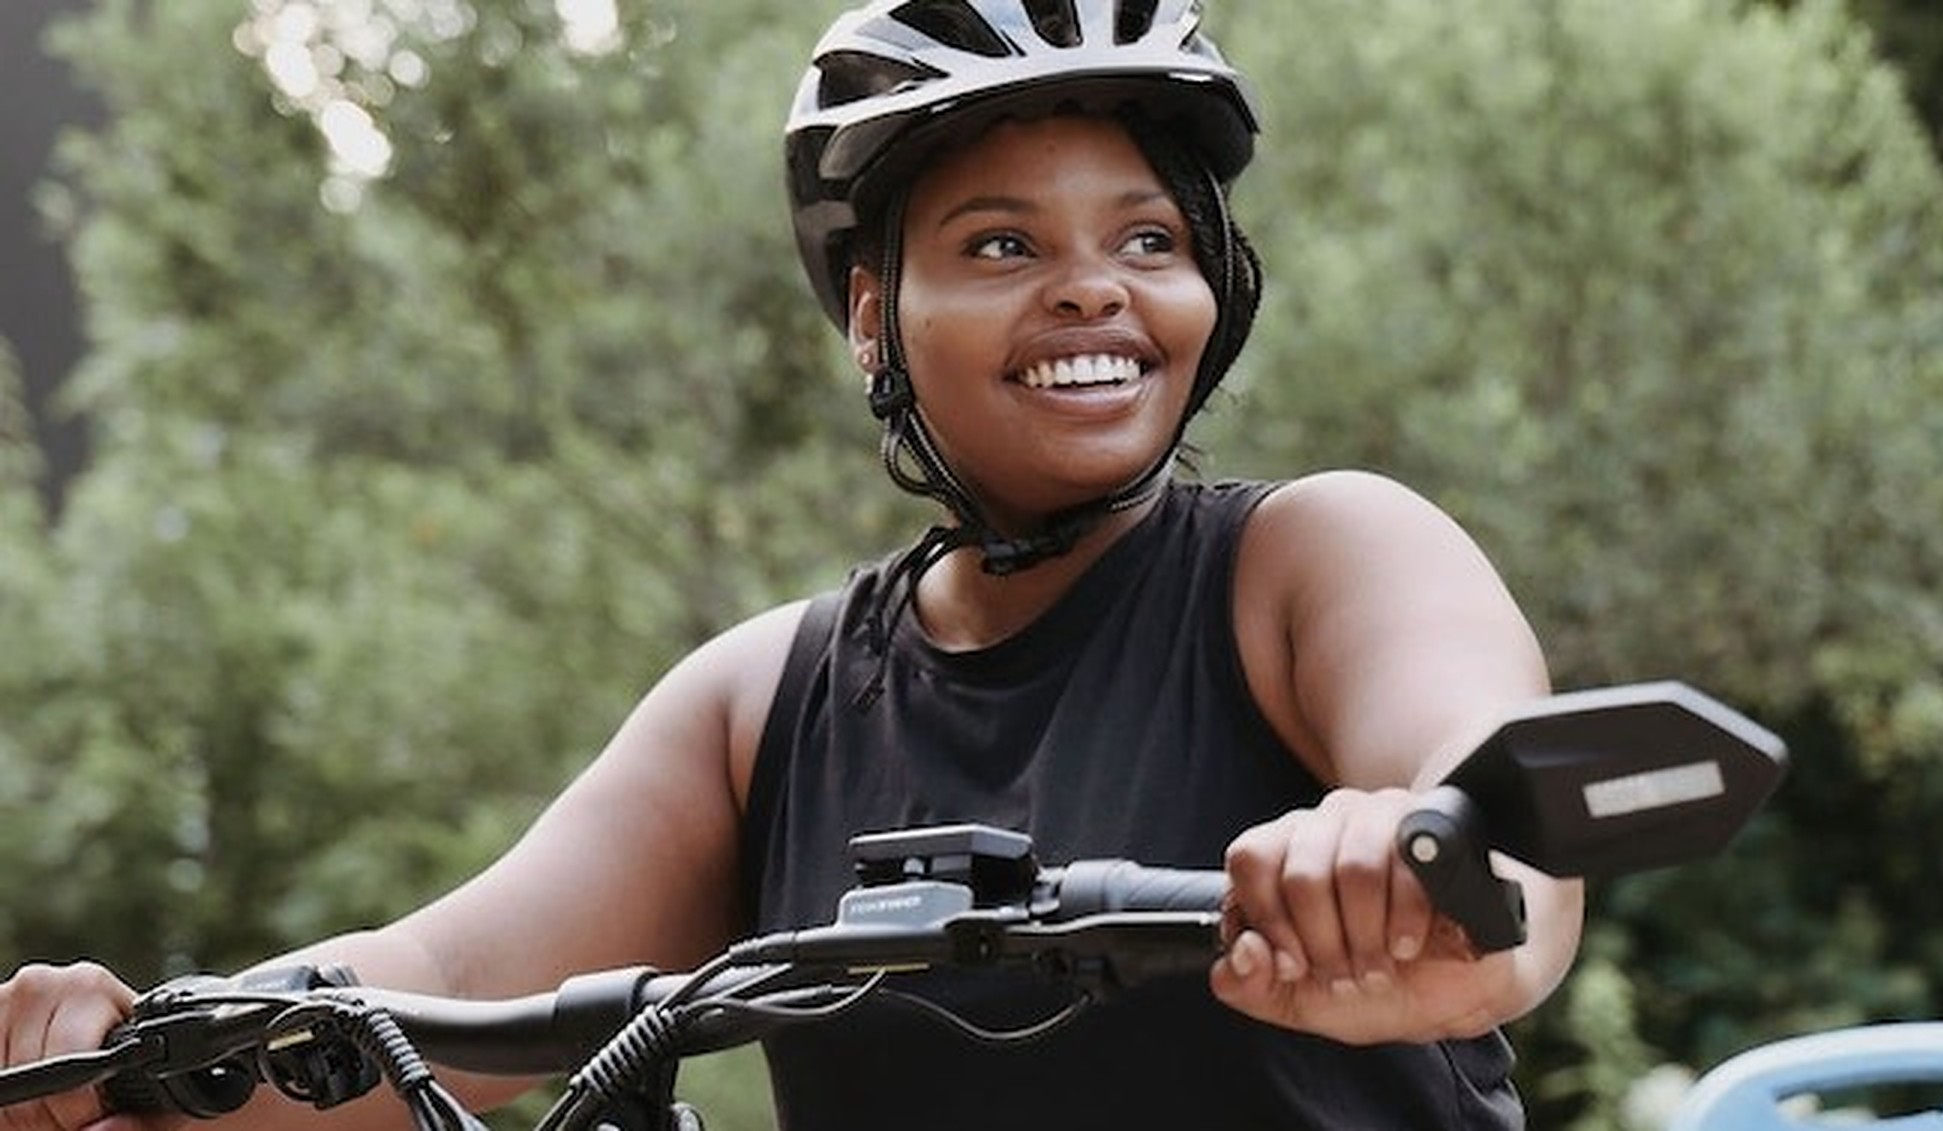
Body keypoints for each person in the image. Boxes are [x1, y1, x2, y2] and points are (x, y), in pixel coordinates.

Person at [0, 1, 1582, 1128]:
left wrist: (1403, 863)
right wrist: (128, 1053)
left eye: (1148, 239)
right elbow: (430, 991)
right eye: (1004, 245)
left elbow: (1503, 821)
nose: (1095, 290)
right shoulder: (771, 700)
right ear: (875, 318)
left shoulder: (1318, 556)